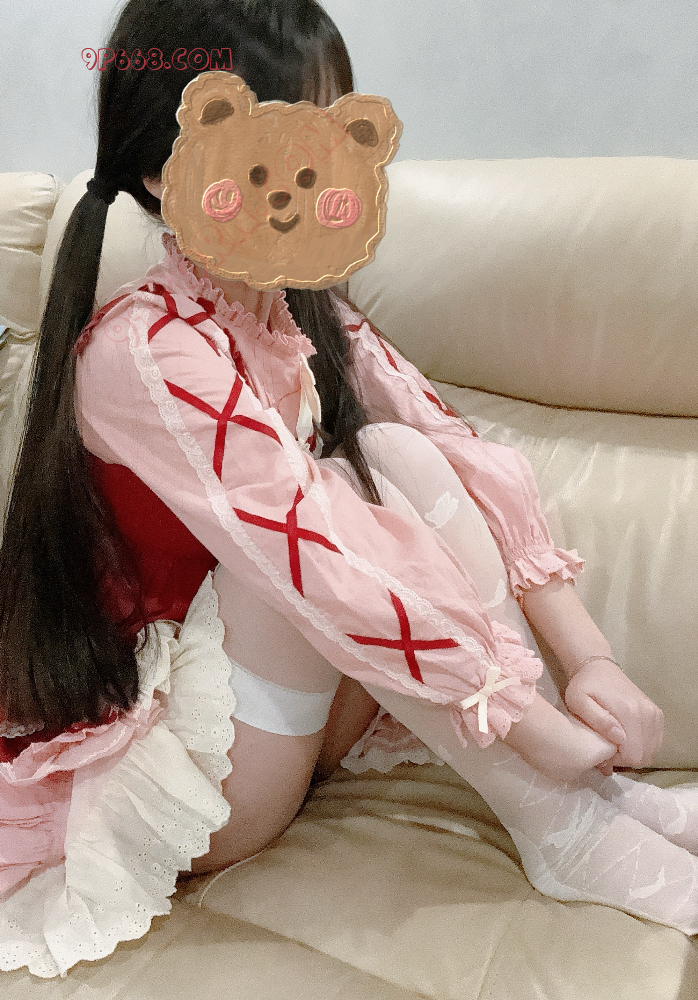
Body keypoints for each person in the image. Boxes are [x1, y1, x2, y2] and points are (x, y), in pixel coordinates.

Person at [1, 0, 697, 979]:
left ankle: (584, 812)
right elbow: (314, 558)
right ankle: (563, 826)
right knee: (324, 502)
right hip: (195, 776)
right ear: (165, 172)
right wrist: (526, 721)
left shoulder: (299, 311)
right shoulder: (143, 352)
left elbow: (451, 447)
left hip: (290, 722)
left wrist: (588, 659)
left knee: (398, 453)